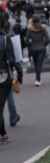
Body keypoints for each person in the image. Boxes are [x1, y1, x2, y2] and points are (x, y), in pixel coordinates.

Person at [0, 13, 16, 144]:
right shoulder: (5, 38)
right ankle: (2, 134)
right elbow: (11, 59)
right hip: (3, 75)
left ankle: (3, 134)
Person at [24, 15, 50, 86]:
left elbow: (26, 41)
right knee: (39, 64)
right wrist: (43, 44)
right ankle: (38, 79)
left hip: (33, 48)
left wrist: (30, 45)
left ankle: (37, 77)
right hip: (41, 48)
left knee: (36, 63)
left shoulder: (29, 30)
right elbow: (48, 40)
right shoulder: (43, 29)